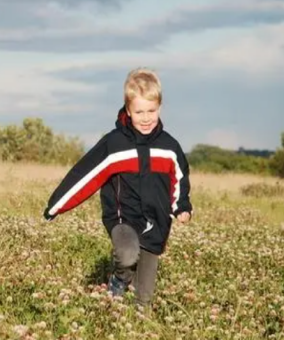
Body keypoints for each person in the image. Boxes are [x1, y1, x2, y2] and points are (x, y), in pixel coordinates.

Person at [43, 67, 193, 306]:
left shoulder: (169, 146)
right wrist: (56, 206)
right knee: (127, 255)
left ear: (160, 108)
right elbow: (85, 175)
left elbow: (180, 178)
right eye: (139, 111)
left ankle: (139, 326)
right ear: (128, 109)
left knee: (144, 301)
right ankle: (119, 280)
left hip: (157, 223)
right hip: (123, 219)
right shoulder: (115, 143)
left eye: (151, 111)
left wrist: (181, 206)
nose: (146, 118)